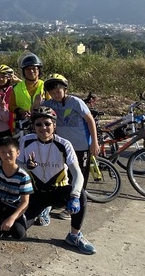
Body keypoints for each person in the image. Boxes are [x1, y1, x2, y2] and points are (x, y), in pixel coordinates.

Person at [17, 107, 96, 255]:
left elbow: (77, 173)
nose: (43, 127)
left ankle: (74, 235)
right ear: (33, 126)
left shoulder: (64, 144)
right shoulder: (26, 141)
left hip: (58, 192)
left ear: (54, 125)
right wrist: (25, 166)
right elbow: (17, 165)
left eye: (47, 123)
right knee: (17, 232)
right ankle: (43, 210)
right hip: (36, 194)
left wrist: (74, 196)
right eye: (38, 124)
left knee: (81, 195)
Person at [43, 73, 99, 220]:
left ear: (65, 89)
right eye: (52, 92)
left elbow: (90, 121)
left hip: (81, 146)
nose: (55, 94)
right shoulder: (50, 104)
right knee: (64, 176)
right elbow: (38, 113)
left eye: (58, 91)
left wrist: (94, 142)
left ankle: (75, 207)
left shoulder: (76, 102)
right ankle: (64, 201)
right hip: (63, 147)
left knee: (79, 176)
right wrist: (36, 104)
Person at [0, 137, 33, 247]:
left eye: (10, 152)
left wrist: (12, 219)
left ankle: (26, 220)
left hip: (13, 207)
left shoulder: (23, 176)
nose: (7, 155)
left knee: (18, 233)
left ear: (17, 153)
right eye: (3, 152)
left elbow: (25, 202)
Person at [9, 53, 46, 124]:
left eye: (34, 68)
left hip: (42, 123)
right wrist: (21, 111)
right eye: (28, 69)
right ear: (24, 71)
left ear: (39, 70)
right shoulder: (16, 87)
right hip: (23, 123)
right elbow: (11, 106)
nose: (31, 71)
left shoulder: (45, 86)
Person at [0, 64, 16, 132]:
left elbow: (25, 89)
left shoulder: (12, 90)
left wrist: (17, 80)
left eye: (3, 77)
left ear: (8, 78)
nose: (0, 79)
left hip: (10, 123)